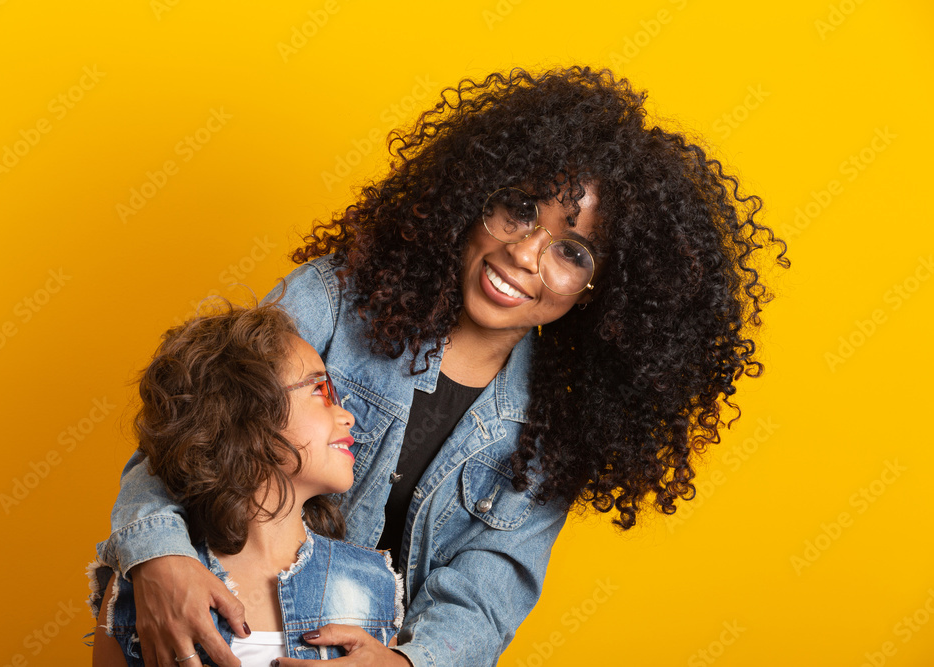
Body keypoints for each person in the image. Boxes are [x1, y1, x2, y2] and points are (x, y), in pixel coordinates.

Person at [95, 66, 789, 667]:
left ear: (603, 292)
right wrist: (158, 555)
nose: (526, 254)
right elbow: (187, 434)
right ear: (472, 194)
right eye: (519, 209)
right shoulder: (333, 300)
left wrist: (405, 659)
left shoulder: (553, 426)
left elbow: (490, 586)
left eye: (572, 251)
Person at [87, 299, 403, 665]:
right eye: (320, 390)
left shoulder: (374, 582)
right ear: (246, 416)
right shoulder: (142, 588)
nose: (347, 416)